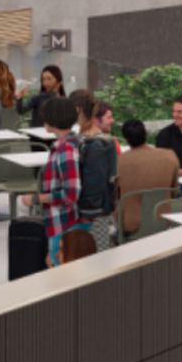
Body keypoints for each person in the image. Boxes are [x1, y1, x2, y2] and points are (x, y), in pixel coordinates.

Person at [114, 119, 179, 236]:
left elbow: (115, 195)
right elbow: (174, 191)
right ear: (145, 134)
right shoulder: (170, 155)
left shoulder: (118, 162)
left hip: (131, 225)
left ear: (126, 140)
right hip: (163, 221)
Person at [32, 97, 81, 240]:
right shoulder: (68, 144)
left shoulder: (66, 150)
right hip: (62, 223)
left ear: (49, 122)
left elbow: (71, 194)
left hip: (64, 224)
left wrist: (37, 198)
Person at [72, 96, 119, 250]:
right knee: (98, 251)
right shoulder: (107, 142)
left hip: (80, 209)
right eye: (109, 117)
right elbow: (112, 179)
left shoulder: (75, 142)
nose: (112, 120)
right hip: (99, 210)